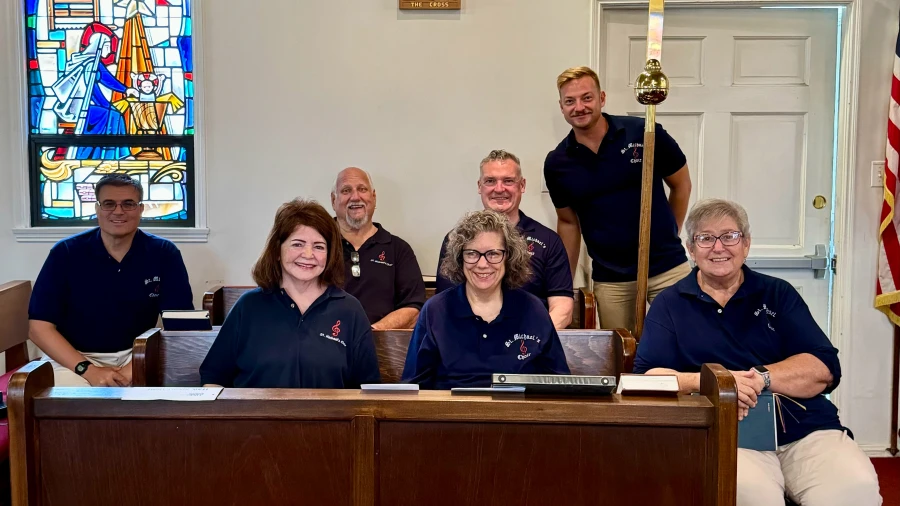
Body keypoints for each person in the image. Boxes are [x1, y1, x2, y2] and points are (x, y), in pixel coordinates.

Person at [633, 199, 881, 506]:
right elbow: (646, 377)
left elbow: (824, 367)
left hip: (807, 429)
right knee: (752, 496)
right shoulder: (670, 304)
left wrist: (759, 378)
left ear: (746, 244)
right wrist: (719, 384)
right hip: (730, 431)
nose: (718, 247)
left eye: (730, 236)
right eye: (705, 238)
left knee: (855, 488)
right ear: (691, 249)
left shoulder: (778, 293)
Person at [544, 66, 692, 332]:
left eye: (586, 97)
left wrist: (671, 231)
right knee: (622, 354)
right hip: (612, 279)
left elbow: (681, 185)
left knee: (680, 346)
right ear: (561, 107)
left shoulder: (644, 132)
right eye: (570, 101)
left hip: (667, 268)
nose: (579, 107)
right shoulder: (558, 162)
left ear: (601, 98)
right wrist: (562, 283)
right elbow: (568, 223)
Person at [28, 174, 193, 387]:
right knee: (69, 408)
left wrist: (132, 368)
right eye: (108, 204)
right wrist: (88, 370)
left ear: (141, 209)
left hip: (139, 355)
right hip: (74, 358)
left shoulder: (164, 252)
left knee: (169, 399)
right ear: (97, 209)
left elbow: (180, 324)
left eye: (128, 204)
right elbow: (39, 328)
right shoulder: (66, 253)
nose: (118, 211)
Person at [200, 198, 381, 388]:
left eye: (319, 246)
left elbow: (367, 387)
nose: (308, 254)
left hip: (329, 418)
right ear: (277, 251)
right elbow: (213, 378)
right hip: (256, 417)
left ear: (329, 255)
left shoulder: (350, 310)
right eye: (297, 244)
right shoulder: (248, 307)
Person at [402, 210, 570, 389]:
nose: (482, 264)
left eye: (494, 254)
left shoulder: (533, 309)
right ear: (460, 258)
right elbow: (414, 387)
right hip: (452, 413)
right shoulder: (435, 311)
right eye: (472, 253)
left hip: (517, 413)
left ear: (509, 258)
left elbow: (559, 384)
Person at [435, 150, 574, 329]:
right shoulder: (456, 239)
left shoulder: (549, 240)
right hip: (471, 343)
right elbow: (447, 304)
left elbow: (562, 308)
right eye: (490, 181)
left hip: (530, 341)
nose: (499, 189)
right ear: (479, 186)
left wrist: (533, 341)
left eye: (508, 181)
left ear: (522, 185)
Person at [331, 167, 425, 329]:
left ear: (373, 197)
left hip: (383, 349)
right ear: (333, 200)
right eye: (346, 190)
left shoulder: (399, 249)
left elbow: (413, 307)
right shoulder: (318, 247)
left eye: (362, 189)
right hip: (326, 346)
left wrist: (370, 335)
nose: (355, 197)